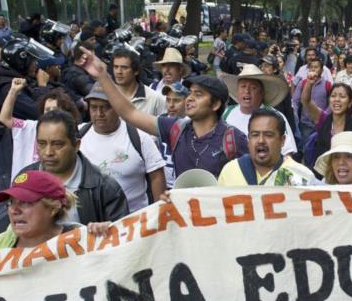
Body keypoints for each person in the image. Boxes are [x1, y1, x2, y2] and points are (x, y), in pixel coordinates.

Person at [77, 47, 247, 179]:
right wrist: (102, 76)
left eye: (198, 94)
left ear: (216, 104)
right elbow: (129, 114)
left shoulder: (232, 139)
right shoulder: (176, 129)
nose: (189, 99)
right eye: (190, 93)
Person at [19, 109, 129, 224]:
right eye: (42, 144)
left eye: (57, 144)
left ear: (76, 145)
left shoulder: (105, 188)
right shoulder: (23, 180)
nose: (48, 152)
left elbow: (123, 235)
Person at [80, 84, 165, 211]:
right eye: (94, 107)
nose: (99, 113)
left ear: (119, 107)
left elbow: (157, 176)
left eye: (106, 107)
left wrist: (160, 213)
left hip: (134, 222)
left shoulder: (139, 137)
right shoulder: (78, 136)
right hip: (93, 223)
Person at [0, 79, 80, 179]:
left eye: (55, 109)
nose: (50, 114)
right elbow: (5, 119)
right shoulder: (30, 127)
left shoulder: (72, 132)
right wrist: (13, 91)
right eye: (47, 110)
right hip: (26, 184)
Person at [217, 107, 315, 186]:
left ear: (282, 141)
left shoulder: (301, 175)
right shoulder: (230, 171)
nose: (261, 141)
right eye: (255, 135)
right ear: (248, 140)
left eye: (268, 135)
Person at [220, 63, 298, 157]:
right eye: (243, 86)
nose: (247, 91)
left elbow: (287, 154)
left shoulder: (275, 117)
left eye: (253, 88)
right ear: (237, 91)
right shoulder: (226, 113)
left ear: (262, 93)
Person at [300, 74, 352, 169]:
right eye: (333, 96)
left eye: (342, 97)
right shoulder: (322, 119)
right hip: (322, 175)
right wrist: (309, 83)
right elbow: (305, 101)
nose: (337, 100)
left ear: (350, 102)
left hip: (346, 176)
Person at [111, 47, 167, 116]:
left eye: (124, 67)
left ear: (136, 71)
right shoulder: (108, 95)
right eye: (116, 67)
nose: (118, 72)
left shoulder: (154, 99)